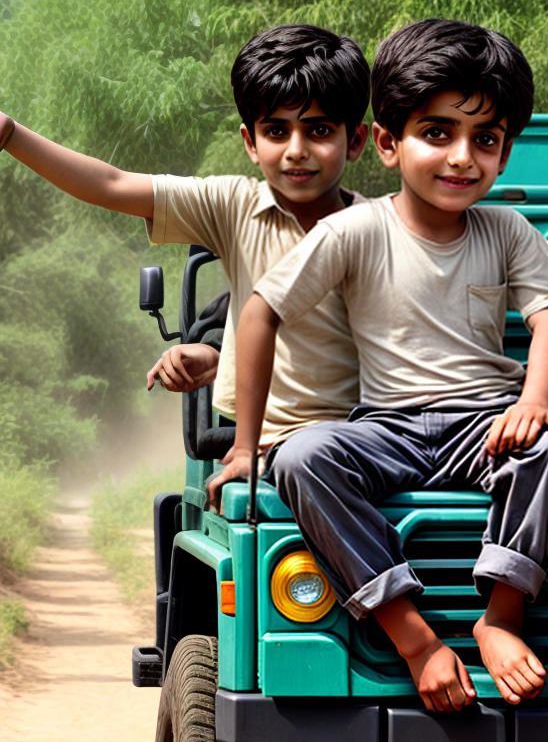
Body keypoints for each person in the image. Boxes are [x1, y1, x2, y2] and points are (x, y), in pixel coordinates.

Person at [207, 18, 548, 714]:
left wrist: (535, 403)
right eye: (437, 133)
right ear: (387, 143)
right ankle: (413, 639)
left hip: (485, 424)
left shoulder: (507, 230)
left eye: (485, 140)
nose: (462, 158)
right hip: (387, 426)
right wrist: (245, 446)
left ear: (505, 153)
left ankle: (501, 617)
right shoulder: (354, 229)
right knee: (302, 457)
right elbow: (262, 312)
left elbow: (547, 319)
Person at [0, 23, 372, 451]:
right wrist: (10, 134)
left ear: (355, 139)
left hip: (366, 443)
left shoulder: (386, 234)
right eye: (276, 131)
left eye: (319, 130)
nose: (296, 149)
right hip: (271, 453)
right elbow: (111, 184)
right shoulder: (232, 207)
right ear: (251, 142)